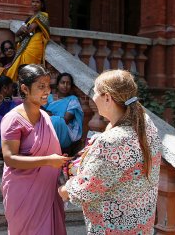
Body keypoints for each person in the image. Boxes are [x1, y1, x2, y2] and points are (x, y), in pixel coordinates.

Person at [58, 70, 162, 234]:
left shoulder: (111, 142)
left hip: (112, 228)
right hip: (141, 226)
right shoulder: (146, 125)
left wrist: (64, 189)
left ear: (107, 97)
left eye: (95, 92)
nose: (93, 98)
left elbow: (85, 191)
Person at [0, 64, 70, 235]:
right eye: (41, 86)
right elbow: (9, 158)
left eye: (48, 86)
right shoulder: (13, 119)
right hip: (23, 193)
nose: (47, 91)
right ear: (25, 88)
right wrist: (48, 161)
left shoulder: (45, 116)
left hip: (48, 190)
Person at [6, 0, 50, 81]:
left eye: (37, 2)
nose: (34, 4)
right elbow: (18, 34)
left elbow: (28, 30)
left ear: (42, 4)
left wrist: (23, 29)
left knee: (28, 69)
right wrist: (22, 29)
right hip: (27, 43)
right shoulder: (30, 18)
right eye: (33, 2)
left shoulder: (42, 16)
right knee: (16, 67)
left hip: (35, 44)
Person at [43, 73, 83, 154]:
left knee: (56, 121)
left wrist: (50, 115)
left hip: (64, 132)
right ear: (57, 85)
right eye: (62, 82)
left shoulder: (73, 100)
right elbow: (40, 111)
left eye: (68, 83)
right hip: (46, 127)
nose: (65, 85)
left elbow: (65, 120)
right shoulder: (49, 97)